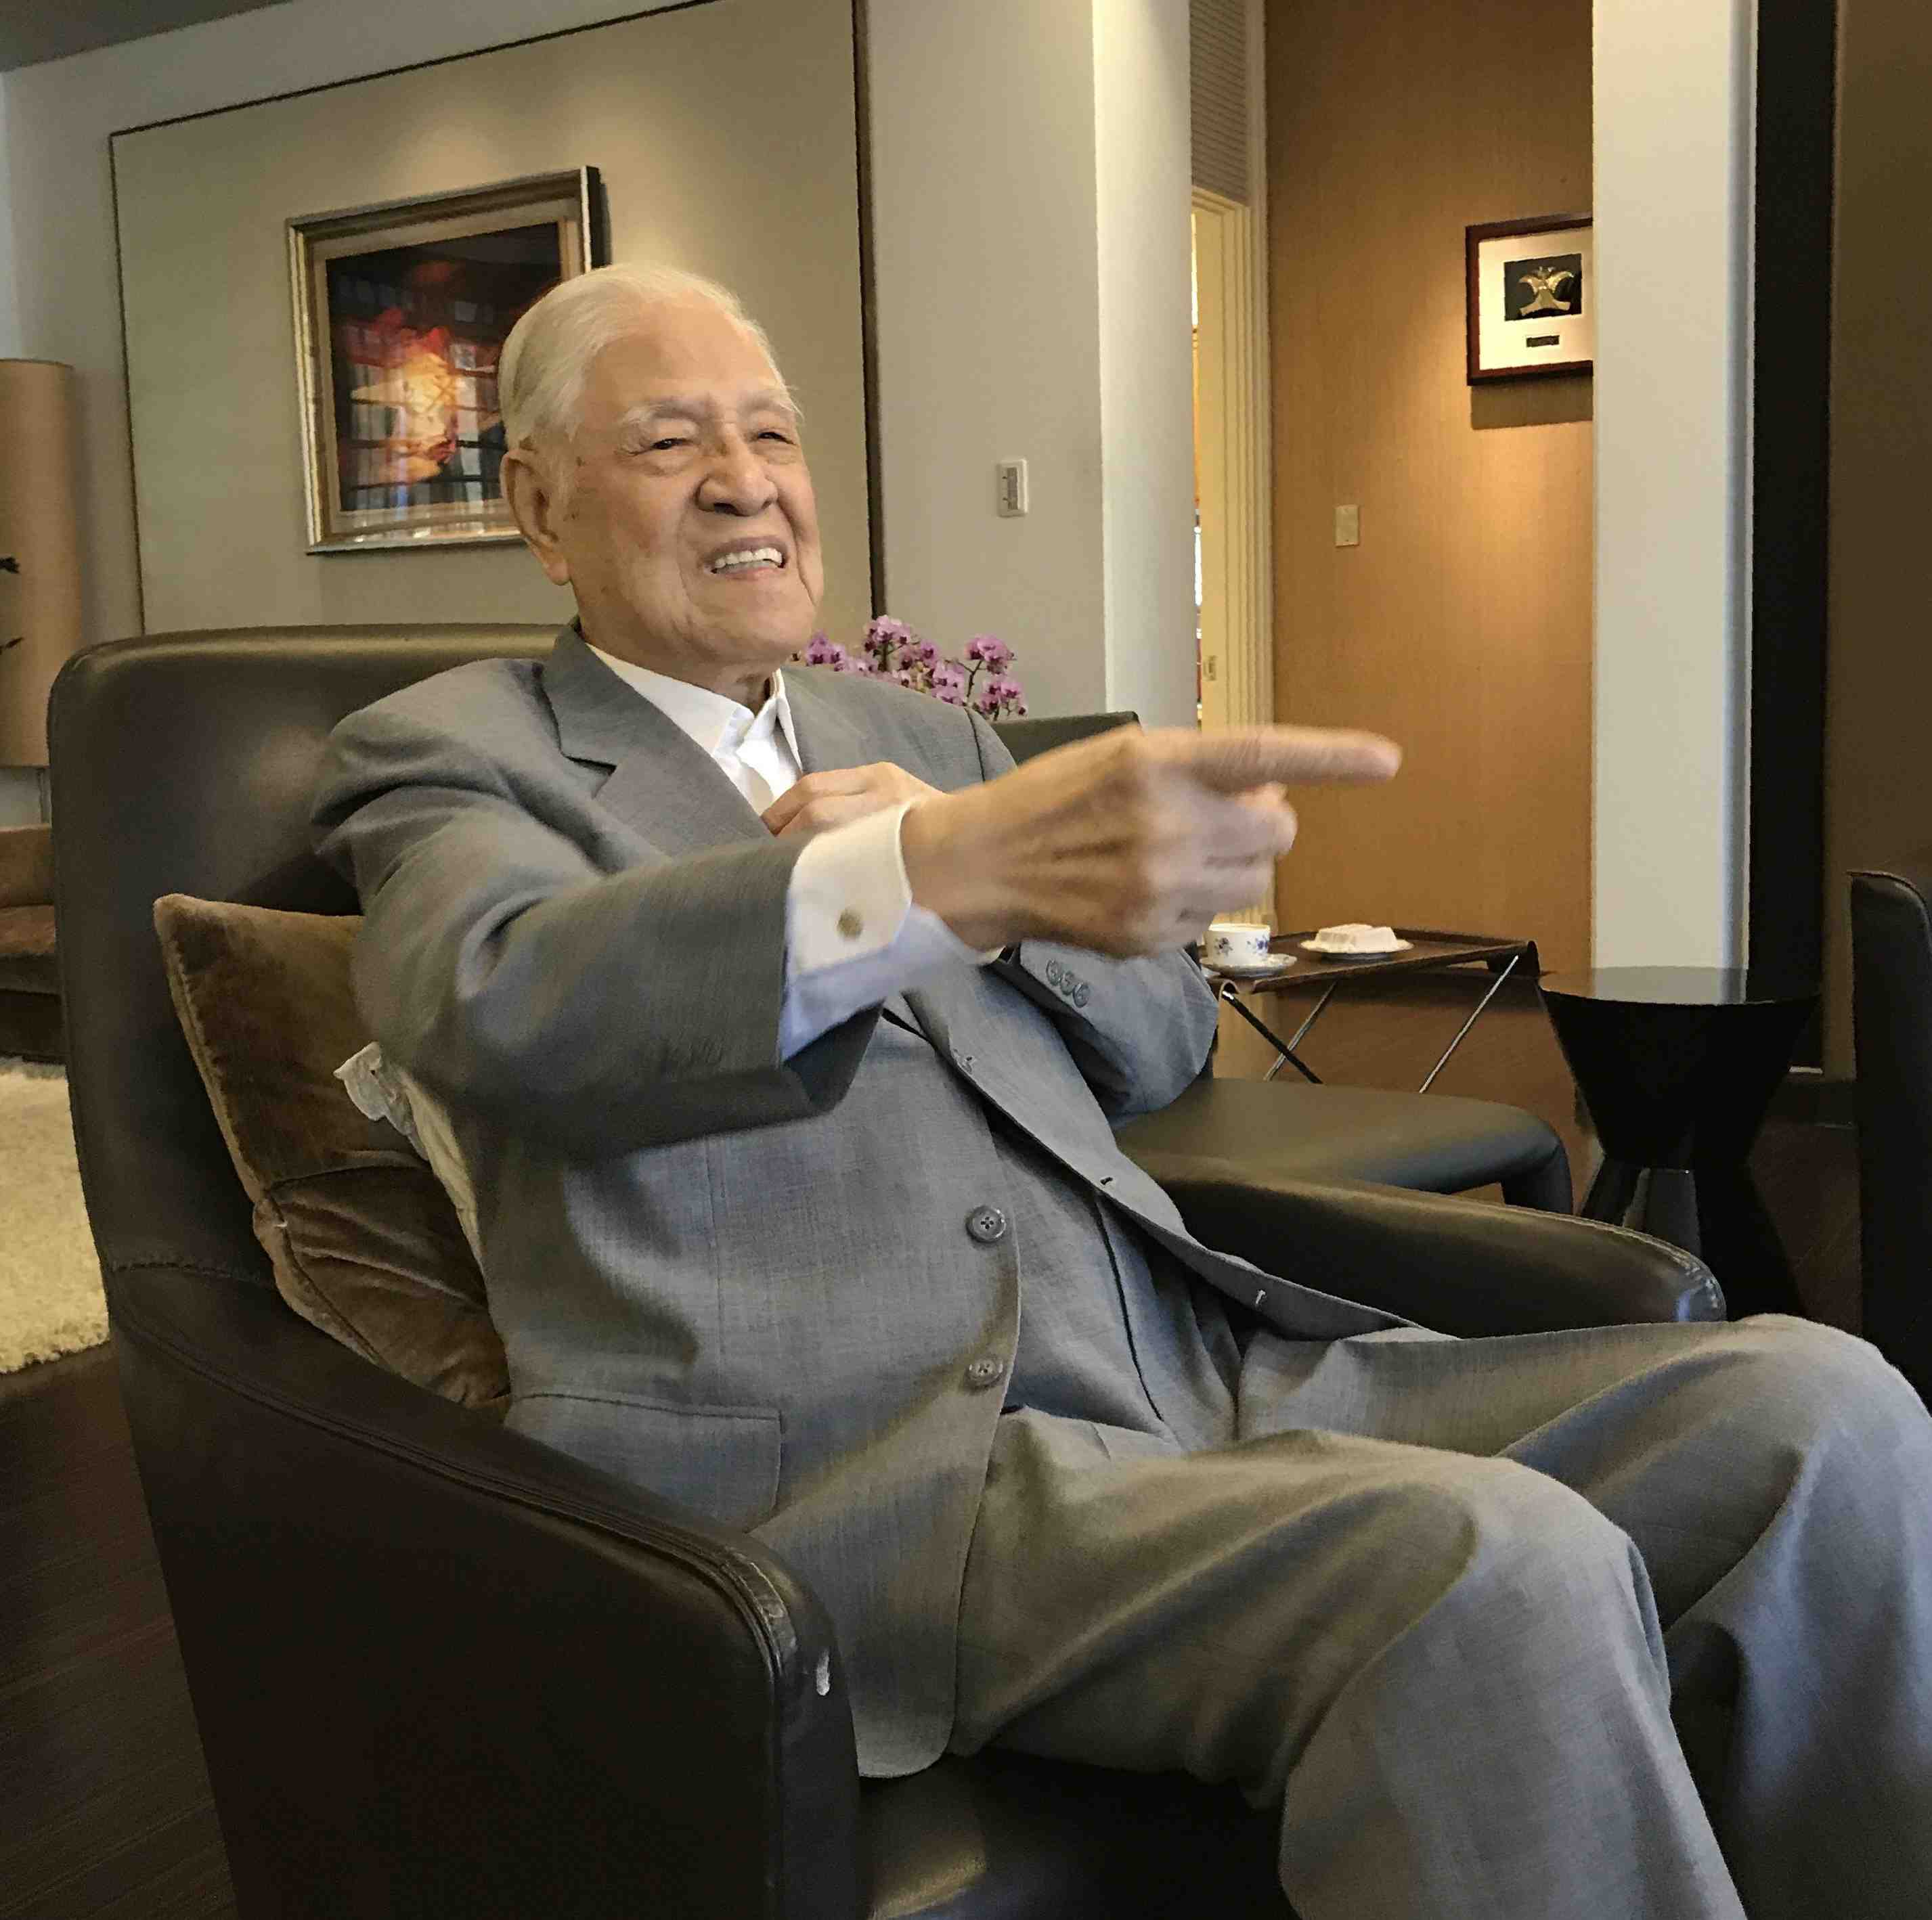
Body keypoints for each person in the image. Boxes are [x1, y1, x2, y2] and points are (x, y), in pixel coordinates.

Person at [311, 263, 1932, 1920]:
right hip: (888, 1474)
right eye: (670, 443)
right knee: (1493, 1564)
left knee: (1822, 1412)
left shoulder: (924, 737)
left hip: (1201, 1365)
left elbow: (1160, 1042)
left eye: (772, 434)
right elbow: (492, 999)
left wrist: (987, 891)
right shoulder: (459, 750)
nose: (745, 482)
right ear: (540, 505)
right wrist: (915, 880)